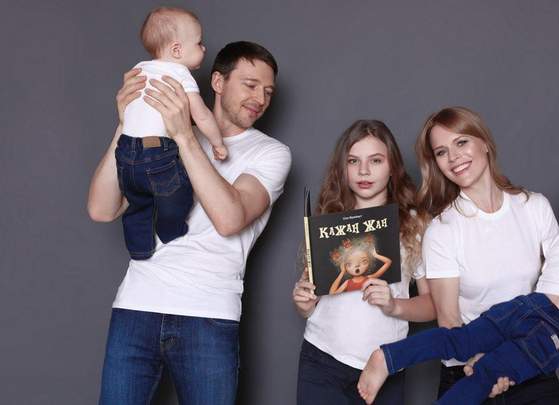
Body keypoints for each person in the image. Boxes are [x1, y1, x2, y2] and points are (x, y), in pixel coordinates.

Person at [357, 163, 559, 404]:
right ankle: (485, 366)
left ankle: (388, 357)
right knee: (486, 376)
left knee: (459, 340)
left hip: (527, 306)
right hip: (556, 330)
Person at [88, 41, 291, 404]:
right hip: (137, 305)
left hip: (208, 316)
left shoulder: (271, 153)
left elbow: (229, 218)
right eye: (250, 85)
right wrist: (126, 126)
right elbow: (101, 209)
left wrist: (184, 136)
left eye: (268, 91)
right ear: (218, 82)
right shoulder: (159, 134)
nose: (260, 98)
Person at [408, 106, 559, 403]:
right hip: (468, 369)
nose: (453, 157)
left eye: (461, 142)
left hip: (529, 363)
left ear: (484, 143)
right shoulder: (442, 229)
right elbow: (449, 317)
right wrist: (487, 364)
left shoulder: (534, 207)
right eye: (441, 152)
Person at [291, 120, 435, 404]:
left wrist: (394, 305)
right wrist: (303, 303)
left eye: (376, 160)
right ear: (342, 168)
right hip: (322, 359)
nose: (364, 171)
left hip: (386, 365)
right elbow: (312, 303)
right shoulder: (329, 219)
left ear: (392, 167)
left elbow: (433, 304)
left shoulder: (415, 224)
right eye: (353, 161)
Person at [117, 7, 227, 260]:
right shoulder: (180, 73)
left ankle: (139, 248)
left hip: (125, 152)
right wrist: (218, 143)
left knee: (138, 202)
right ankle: (170, 231)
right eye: (199, 43)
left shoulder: (139, 69)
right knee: (178, 195)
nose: (204, 48)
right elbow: (201, 115)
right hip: (156, 153)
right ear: (177, 50)